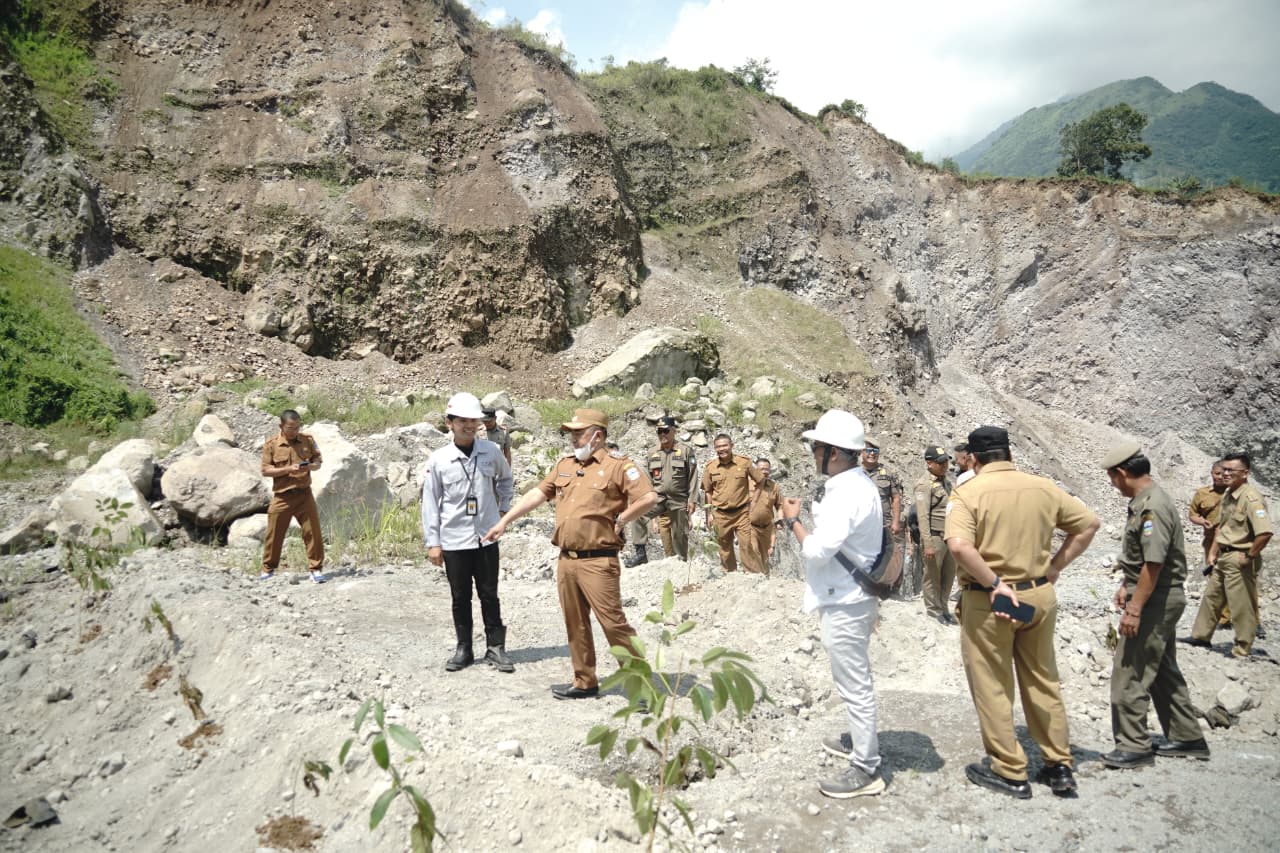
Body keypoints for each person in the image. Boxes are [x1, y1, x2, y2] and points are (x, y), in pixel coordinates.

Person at [945, 426, 1099, 799]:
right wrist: (1055, 566)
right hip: (1038, 596)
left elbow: (960, 546)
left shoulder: (968, 493)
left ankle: (1010, 770)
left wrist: (995, 583)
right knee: (1043, 679)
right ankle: (1059, 766)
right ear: (1009, 454)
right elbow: (1089, 524)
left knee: (993, 685)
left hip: (991, 601)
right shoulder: (1042, 487)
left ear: (973, 459)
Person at [484, 409, 656, 699]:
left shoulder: (618, 466)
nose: (573, 439)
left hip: (599, 561)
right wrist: (505, 521)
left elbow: (648, 497)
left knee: (613, 624)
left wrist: (624, 518)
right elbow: (538, 494)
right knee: (575, 623)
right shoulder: (565, 465)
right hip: (567, 560)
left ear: (597, 436)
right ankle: (584, 680)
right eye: (571, 434)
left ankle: (641, 688)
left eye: (579, 433)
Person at [780, 409, 886, 799]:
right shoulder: (857, 484)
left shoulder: (847, 493)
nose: (813, 454)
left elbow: (817, 550)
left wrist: (793, 521)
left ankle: (866, 767)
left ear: (835, 453)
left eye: (818, 448)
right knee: (854, 679)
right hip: (850, 596)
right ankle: (861, 742)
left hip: (846, 601)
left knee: (854, 684)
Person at [1100, 441, 1208, 768]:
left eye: (1112, 477)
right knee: (1160, 669)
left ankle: (1134, 746)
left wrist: (1134, 608)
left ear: (1122, 473)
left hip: (1155, 599)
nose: (1112, 484)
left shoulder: (1152, 507)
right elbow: (1142, 560)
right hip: (1154, 595)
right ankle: (1187, 736)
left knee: (1130, 670)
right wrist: (1126, 584)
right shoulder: (1147, 502)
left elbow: (1154, 563)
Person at [422, 392, 515, 673]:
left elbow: (506, 479)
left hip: (486, 537)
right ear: (449, 422)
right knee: (460, 597)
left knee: (490, 594)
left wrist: (503, 510)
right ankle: (464, 649)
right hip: (454, 540)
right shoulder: (439, 460)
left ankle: (496, 648)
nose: (469, 426)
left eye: (473, 421)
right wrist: (433, 542)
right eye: (462, 421)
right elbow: (430, 502)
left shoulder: (491, 451)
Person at [1188, 453, 1273, 657]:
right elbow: (1222, 527)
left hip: (1239, 557)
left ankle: (1242, 647)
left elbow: (1265, 533)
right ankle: (1200, 637)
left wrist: (1249, 557)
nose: (1225, 473)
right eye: (1224, 469)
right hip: (1223, 556)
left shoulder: (1251, 499)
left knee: (1240, 604)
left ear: (1245, 473)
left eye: (1231, 470)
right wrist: (1213, 552)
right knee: (1212, 597)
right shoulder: (1228, 495)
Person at [259, 409, 326, 583]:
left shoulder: (307, 440)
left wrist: (311, 466)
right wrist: (287, 469)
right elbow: (265, 470)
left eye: (297, 427)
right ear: (281, 426)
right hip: (283, 496)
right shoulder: (271, 444)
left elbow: (318, 461)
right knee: (274, 534)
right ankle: (268, 569)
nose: (295, 431)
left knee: (312, 533)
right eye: (291, 428)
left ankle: (316, 569)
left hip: (304, 495)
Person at [625, 416, 697, 565]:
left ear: (674, 431)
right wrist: (642, 498)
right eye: (659, 431)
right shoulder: (652, 453)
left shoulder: (685, 451)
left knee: (679, 535)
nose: (662, 434)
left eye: (665, 431)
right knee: (637, 513)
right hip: (658, 498)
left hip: (678, 499)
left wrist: (692, 499)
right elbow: (647, 478)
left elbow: (693, 477)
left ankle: (681, 563)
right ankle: (640, 553)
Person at [702, 433, 765, 574]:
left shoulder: (744, 462)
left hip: (742, 513)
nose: (721, 449)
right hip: (720, 514)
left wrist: (754, 502)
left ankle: (753, 576)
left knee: (747, 545)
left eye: (724, 445)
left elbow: (761, 481)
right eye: (718, 447)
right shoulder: (710, 467)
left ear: (731, 446)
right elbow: (707, 491)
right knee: (724, 548)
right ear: (715, 448)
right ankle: (730, 576)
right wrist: (708, 514)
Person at [914, 446, 957, 623]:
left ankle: (944, 607)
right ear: (929, 463)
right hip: (935, 536)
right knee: (932, 576)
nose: (945, 465)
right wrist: (928, 543)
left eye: (946, 461)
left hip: (949, 536)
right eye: (940, 463)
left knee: (948, 575)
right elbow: (923, 516)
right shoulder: (924, 485)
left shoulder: (945, 482)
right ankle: (934, 611)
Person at [747, 457, 783, 573]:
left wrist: (780, 519)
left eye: (767, 469)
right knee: (754, 551)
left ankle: (765, 579)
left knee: (765, 558)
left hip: (767, 528)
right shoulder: (746, 485)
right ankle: (756, 578)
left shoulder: (774, 487)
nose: (765, 471)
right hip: (751, 526)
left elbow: (780, 505)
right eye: (762, 469)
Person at [1188, 461, 1227, 566]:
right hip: (1210, 541)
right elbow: (1192, 515)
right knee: (1212, 571)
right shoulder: (1202, 493)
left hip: (1230, 543)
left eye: (1223, 474)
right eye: (1217, 473)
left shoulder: (1234, 493)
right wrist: (1203, 522)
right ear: (1212, 473)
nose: (1220, 477)